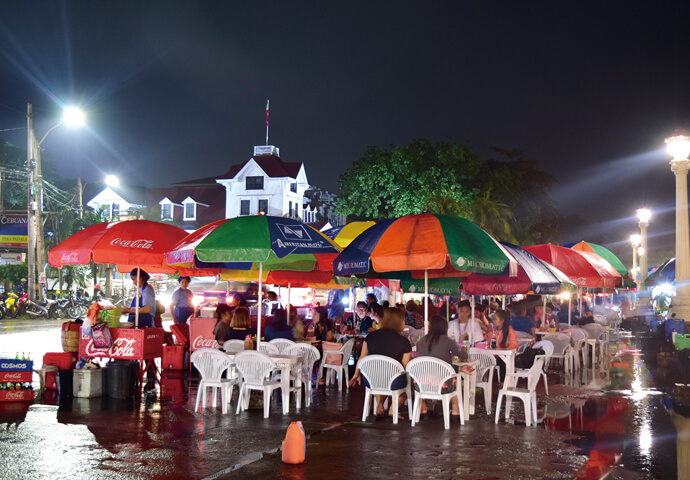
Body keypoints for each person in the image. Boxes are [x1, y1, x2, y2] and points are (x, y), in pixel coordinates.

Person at [349, 307, 412, 419]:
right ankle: (393, 408)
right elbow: (405, 367)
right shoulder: (404, 342)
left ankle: (380, 405)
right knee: (407, 388)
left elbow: (362, 358)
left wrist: (356, 374)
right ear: (399, 322)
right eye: (403, 320)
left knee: (380, 378)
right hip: (393, 382)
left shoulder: (370, 336)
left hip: (370, 380)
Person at [416, 315, 474, 421]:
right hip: (443, 385)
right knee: (453, 380)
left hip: (422, 385)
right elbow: (463, 356)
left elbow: (429, 363)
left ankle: (423, 409)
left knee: (422, 377)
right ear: (444, 327)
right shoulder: (447, 341)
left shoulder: (421, 341)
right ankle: (455, 410)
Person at [485, 309, 519, 381]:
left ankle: (503, 383)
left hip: (502, 357)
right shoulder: (492, 330)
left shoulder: (509, 331)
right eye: (493, 319)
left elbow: (514, 344)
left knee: (503, 362)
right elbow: (485, 340)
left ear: (502, 320)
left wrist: (504, 351)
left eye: (495, 319)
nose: (493, 321)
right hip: (490, 356)